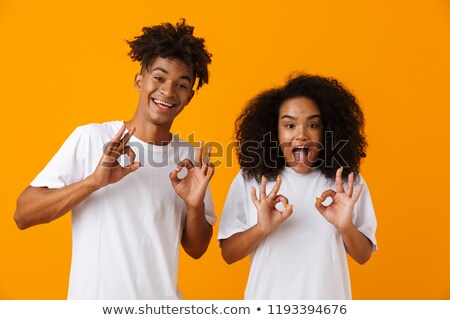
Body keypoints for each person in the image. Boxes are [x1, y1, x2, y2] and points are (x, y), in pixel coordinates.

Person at [14, 19, 215, 299]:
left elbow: (196, 249)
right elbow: (23, 215)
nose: (168, 92)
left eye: (181, 85)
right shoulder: (92, 138)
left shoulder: (190, 159)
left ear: (189, 97)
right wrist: (94, 182)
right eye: (159, 78)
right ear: (139, 81)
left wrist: (194, 206)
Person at [218, 74, 378, 299]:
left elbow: (363, 256)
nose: (301, 135)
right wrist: (261, 228)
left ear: (327, 131)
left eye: (312, 125)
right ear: (274, 131)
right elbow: (228, 254)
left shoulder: (346, 182)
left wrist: (346, 226)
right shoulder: (252, 179)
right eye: (289, 125)